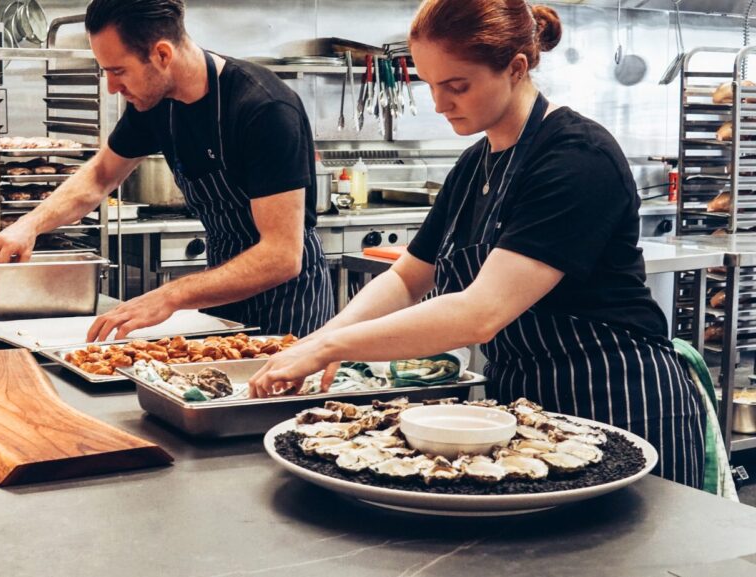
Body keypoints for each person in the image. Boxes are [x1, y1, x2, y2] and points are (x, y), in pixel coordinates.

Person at [250, 0, 706, 488]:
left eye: (457, 86)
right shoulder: (474, 165)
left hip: (619, 399)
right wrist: (320, 340)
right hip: (526, 410)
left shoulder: (577, 157)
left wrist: (334, 346)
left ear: (516, 68)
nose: (441, 104)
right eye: (430, 85)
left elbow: (480, 312)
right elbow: (408, 277)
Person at [0, 0, 334, 341]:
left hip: (289, 309)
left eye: (118, 71)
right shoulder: (155, 104)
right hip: (221, 300)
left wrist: (168, 296)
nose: (111, 87)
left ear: (162, 55)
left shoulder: (263, 109)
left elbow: (281, 257)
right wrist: (29, 225)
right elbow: (100, 176)